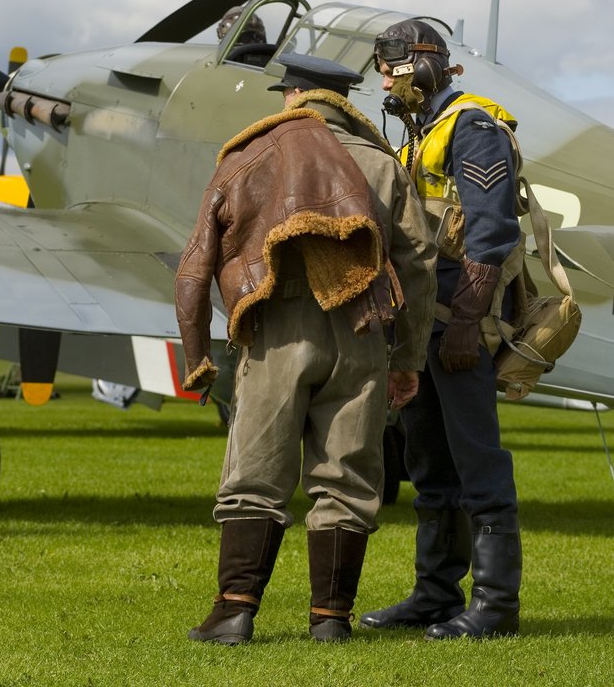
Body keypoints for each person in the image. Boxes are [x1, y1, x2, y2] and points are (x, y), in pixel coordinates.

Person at [175, 53, 437, 646]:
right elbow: (418, 266)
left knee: (255, 475)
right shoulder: (380, 164)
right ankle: (331, 620)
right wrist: (408, 358)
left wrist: (197, 355)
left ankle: (234, 613)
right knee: (346, 479)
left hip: (276, 330)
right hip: (363, 331)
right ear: (343, 99)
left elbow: (194, 268)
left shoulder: (246, 154)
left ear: (293, 96)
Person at [359, 18, 523, 640]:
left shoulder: (472, 126)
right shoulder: (418, 135)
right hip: (422, 323)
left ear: (428, 63)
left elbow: (490, 231)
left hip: (460, 321)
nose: (385, 77)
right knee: (429, 463)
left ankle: (496, 605)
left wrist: (469, 323)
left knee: (477, 457)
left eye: (394, 64)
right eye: (382, 66)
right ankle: (434, 594)